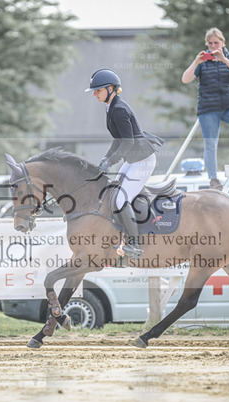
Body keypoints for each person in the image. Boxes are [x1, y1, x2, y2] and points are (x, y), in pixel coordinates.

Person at [85, 68, 164, 260]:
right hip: (133, 159)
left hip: (143, 160)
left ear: (110, 89)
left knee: (121, 200)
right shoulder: (111, 106)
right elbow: (118, 139)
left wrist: (111, 161)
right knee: (114, 194)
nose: (95, 94)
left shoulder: (118, 109)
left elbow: (128, 142)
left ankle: (134, 245)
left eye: (98, 90)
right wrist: (106, 158)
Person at [181, 27, 229, 190]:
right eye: (210, 43)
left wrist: (223, 59)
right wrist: (196, 62)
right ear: (206, 44)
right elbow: (185, 79)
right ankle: (213, 179)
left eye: (216, 43)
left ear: (223, 42)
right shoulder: (202, 61)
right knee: (211, 144)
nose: (213, 46)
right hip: (208, 108)